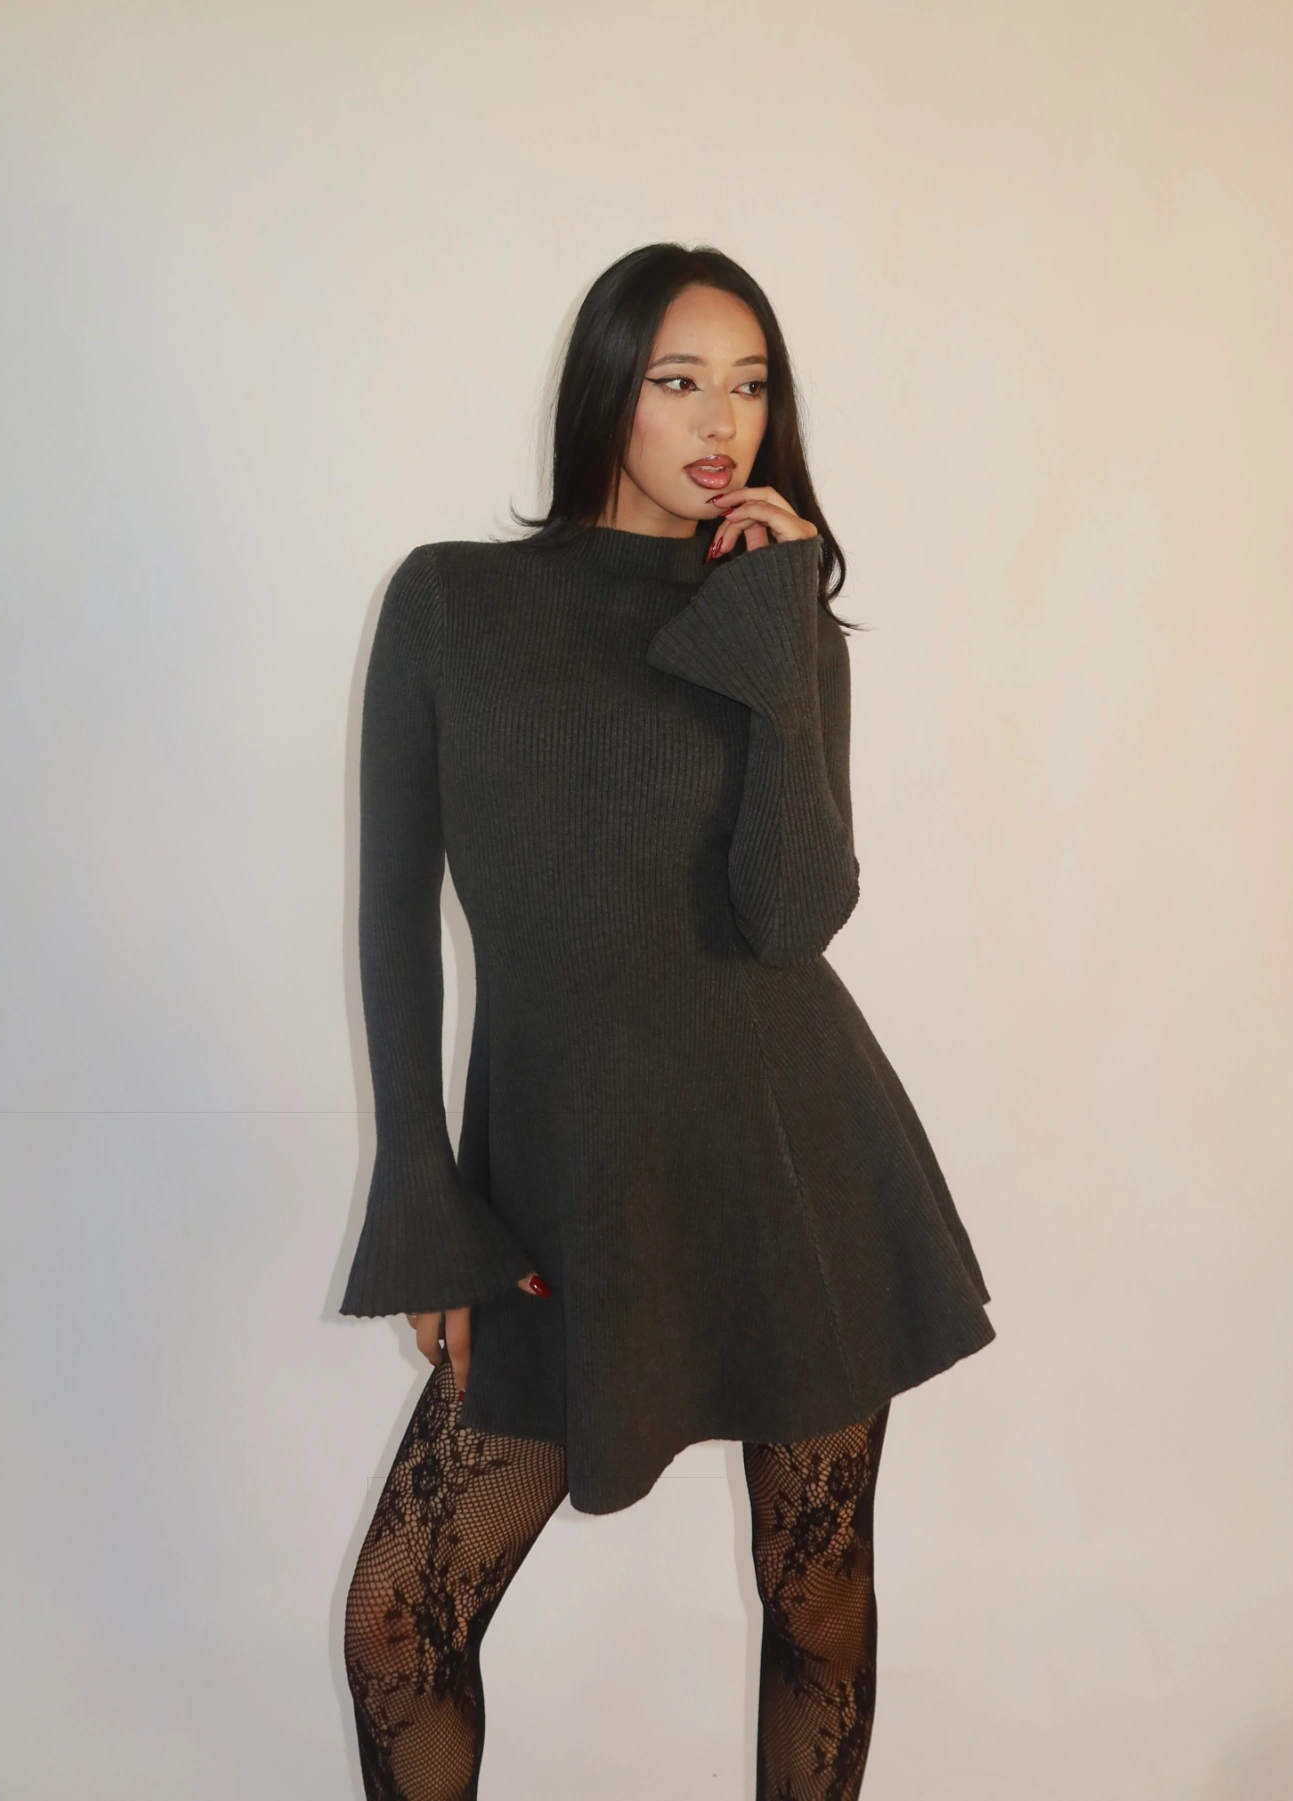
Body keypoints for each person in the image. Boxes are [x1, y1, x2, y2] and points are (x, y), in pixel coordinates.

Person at [339, 242, 995, 1800]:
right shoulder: (453, 603)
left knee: (816, 1598)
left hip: (793, 1162)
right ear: (604, 393)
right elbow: (393, 911)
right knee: (400, 1625)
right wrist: (427, 1202)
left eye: (750, 386)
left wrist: (775, 630)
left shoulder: (773, 617)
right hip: (570, 1183)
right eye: (679, 380)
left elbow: (795, 914)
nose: (721, 421)